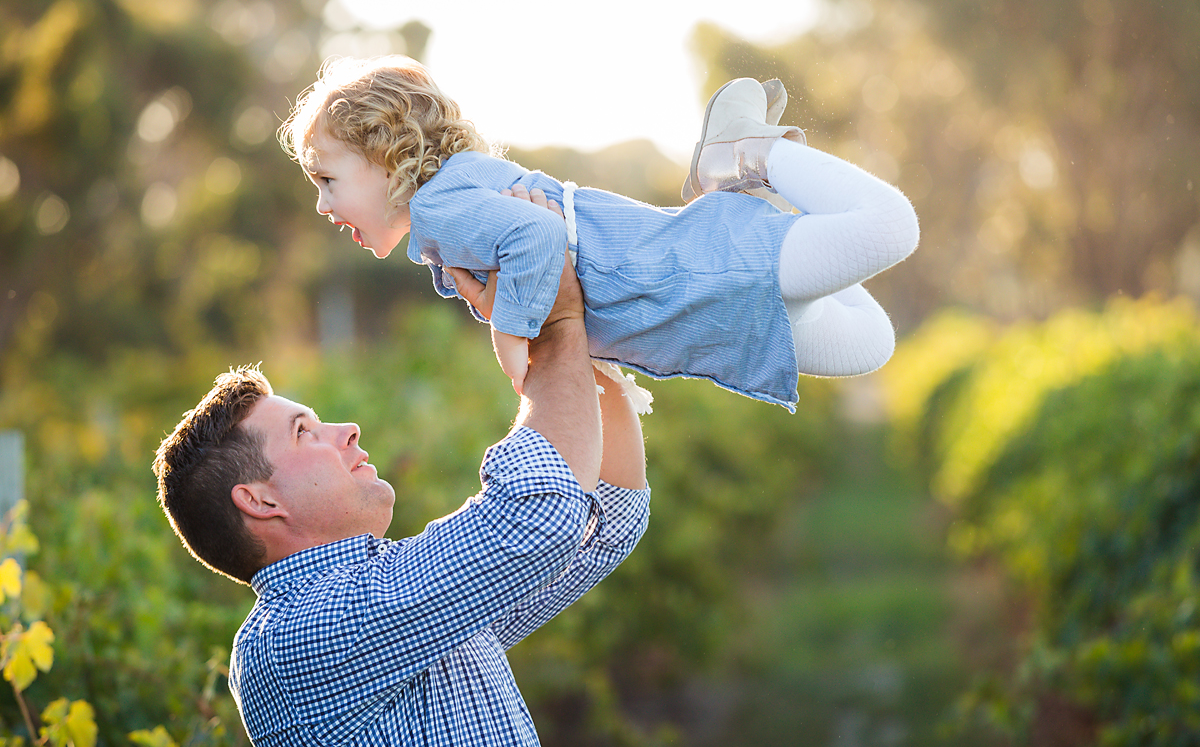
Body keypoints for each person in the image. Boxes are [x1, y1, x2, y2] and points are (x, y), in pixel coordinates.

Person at [152, 221, 651, 746]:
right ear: (259, 500)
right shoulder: (292, 637)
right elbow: (537, 518)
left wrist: (573, 340)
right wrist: (555, 325)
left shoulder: (398, 604)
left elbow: (607, 523)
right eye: (305, 432)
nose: (345, 430)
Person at [279, 56, 920, 412]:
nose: (322, 204)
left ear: (385, 153)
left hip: (698, 277)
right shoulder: (451, 216)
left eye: (328, 179)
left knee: (890, 226)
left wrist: (511, 336)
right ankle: (758, 198)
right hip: (703, 314)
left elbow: (539, 236)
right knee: (871, 343)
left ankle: (745, 153)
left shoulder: (439, 207)